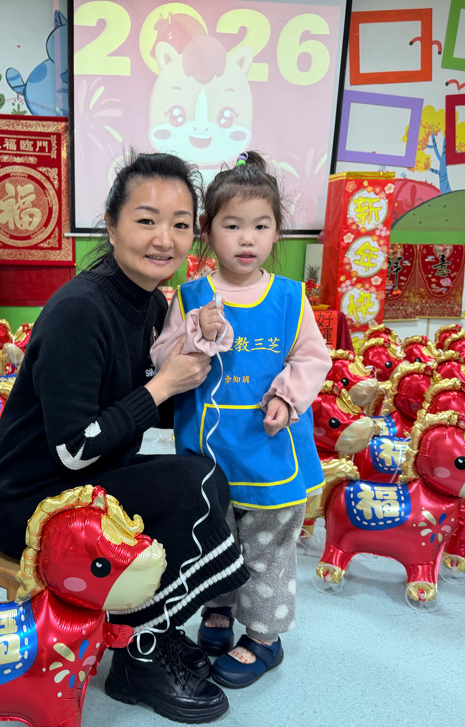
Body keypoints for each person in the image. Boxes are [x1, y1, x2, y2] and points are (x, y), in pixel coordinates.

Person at [0, 152, 248, 724]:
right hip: (30, 503)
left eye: (180, 224)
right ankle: (139, 658)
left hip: (84, 482)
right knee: (193, 485)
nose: (164, 239)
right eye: (146, 220)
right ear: (110, 223)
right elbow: (74, 448)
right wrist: (163, 385)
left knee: (197, 477)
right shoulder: (80, 311)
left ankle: (152, 631)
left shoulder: (150, 302)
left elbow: (142, 416)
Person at [150, 151, 331, 688]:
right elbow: (161, 360)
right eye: (232, 226)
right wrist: (193, 332)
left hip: (270, 448)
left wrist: (288, 398)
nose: (246, 239)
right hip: (207, 452)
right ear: (207, 231)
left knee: (267, 546)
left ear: (277, 232)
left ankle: (264, 638)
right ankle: (218, 610)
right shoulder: (190, 296)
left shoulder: (291, 298)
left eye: (261, 225)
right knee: (214, 538)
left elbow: (312, 358)